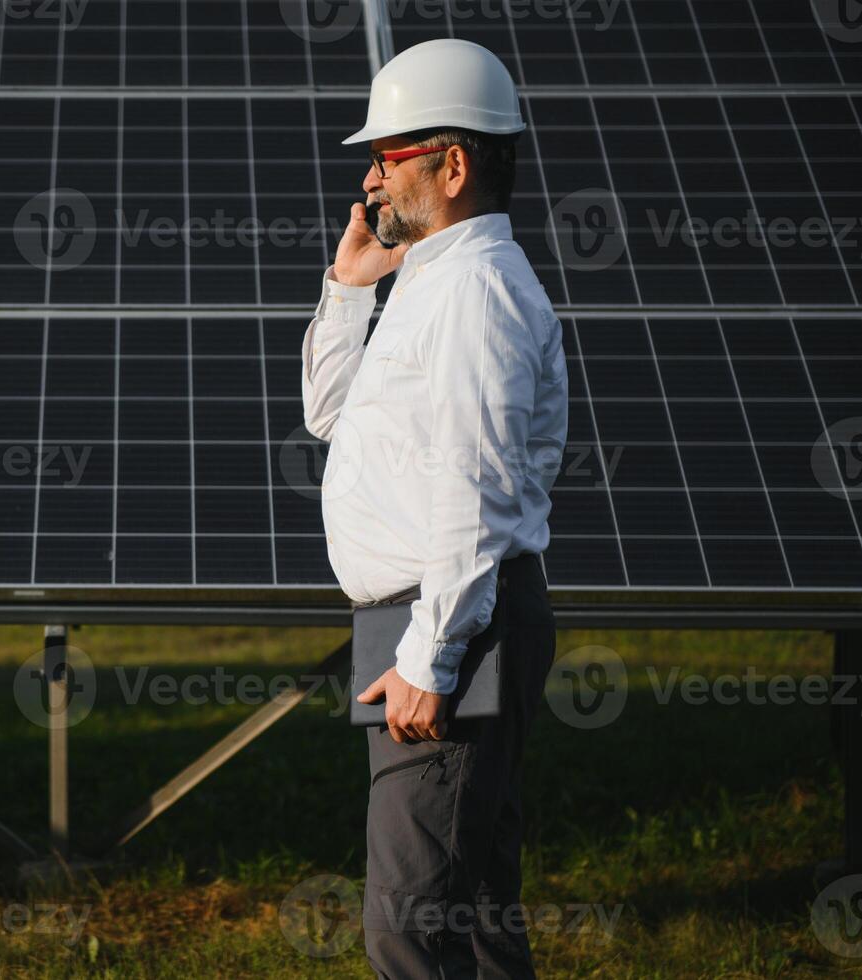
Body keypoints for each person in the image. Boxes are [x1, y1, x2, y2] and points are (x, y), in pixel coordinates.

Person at [300, 38, 570, 978]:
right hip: (434, 620)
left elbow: (474, 486)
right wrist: (346, 289)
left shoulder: (474, 294)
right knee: (475, 909)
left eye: (389, 155)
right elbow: (331, 415)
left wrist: (431, 654)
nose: (371, 179)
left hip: (452, 623)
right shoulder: (430, 281)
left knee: (410, 926)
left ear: (451, 166)